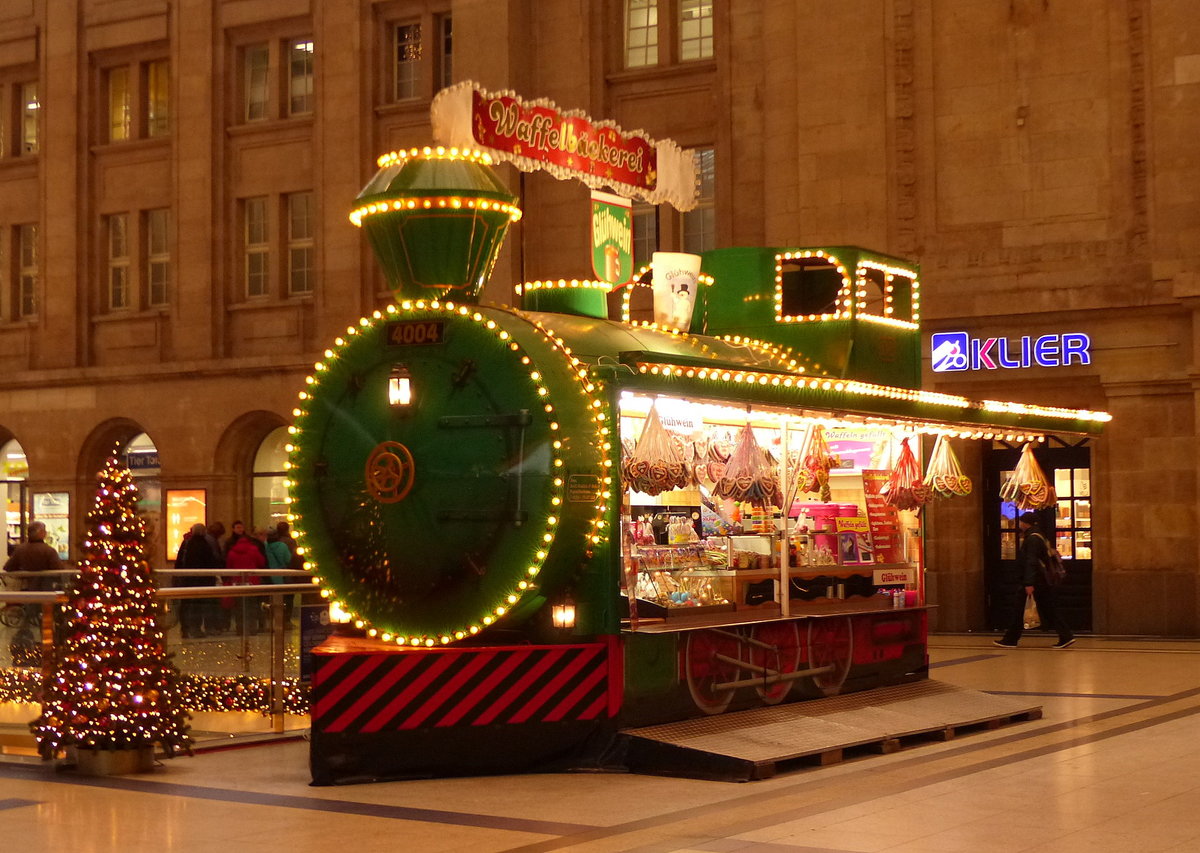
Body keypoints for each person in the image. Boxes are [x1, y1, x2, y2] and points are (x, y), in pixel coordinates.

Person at [995, 512, 1075, 649]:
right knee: (1048, 608)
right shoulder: (1040, 536)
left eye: (1021, 522)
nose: (1019, 524)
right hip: (1041, 580)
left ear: (1026, 523)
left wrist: (1028, 582)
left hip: (1035, 581)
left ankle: (1011, 639)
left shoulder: (1032, 539)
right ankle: (1065, 636)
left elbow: (1031, 561)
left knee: (1019, 610)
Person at [3, 521, 63, 663]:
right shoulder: (48, 551)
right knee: (46, 620)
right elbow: (58, 571)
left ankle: (26, 650)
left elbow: (8, 567)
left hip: (27, 590)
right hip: (46, 591)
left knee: (29, 619)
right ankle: (47, 648)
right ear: (41, 533)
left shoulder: (21, 550)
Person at [175, 522, 221, 638]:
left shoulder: (186, 544)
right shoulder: (205, 545)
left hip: (186, 579)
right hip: (202, 581)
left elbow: (179, 561)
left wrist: (177, 576)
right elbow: (210, 563)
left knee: (186, 604)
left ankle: (185, 629)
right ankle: (196, 629)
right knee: (198, 605)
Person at [226, 527, 266, 634]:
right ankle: (251, 628)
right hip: (252, 582)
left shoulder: (232, 551)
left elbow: (229, 567)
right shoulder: (254, 549)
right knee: (251, 606)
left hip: (237, 582)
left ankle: (240, 628)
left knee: (239, 607)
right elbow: (261, 562)